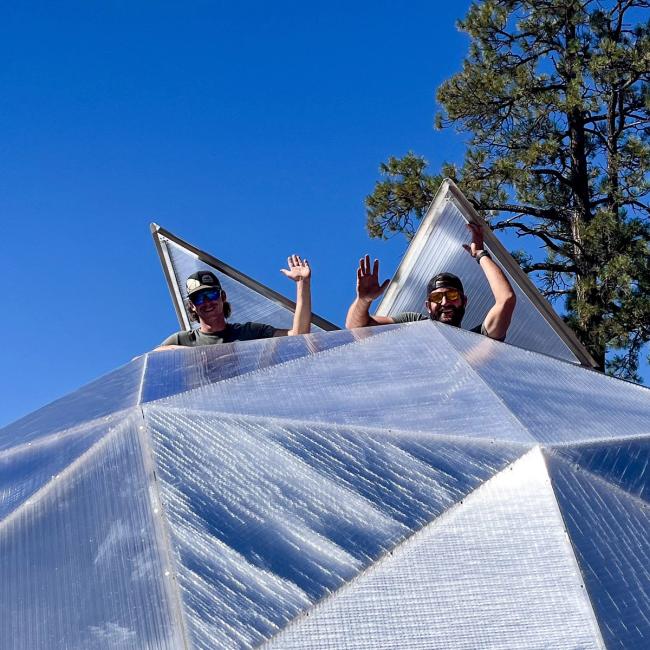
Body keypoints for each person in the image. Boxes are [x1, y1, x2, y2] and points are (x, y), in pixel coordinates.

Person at [345, 223, 516, 341]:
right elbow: (357, 329)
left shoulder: (479, 340)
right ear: (427, 306)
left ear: (464, 301)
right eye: (436, 298)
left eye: (452, 295)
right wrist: (363, 300)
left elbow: (506, 299)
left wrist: (480, 254)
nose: (444, 302)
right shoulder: (415, 325)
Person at [156, 254, 312, 349]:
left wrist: (302, 283)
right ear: (192, 306)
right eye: (199, 298)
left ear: (222, 297)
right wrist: (184, 352)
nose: (206, 302)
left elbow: (298, 336)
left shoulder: (249, 332)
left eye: (210, 295)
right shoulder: (182, 341)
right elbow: (142, 362)